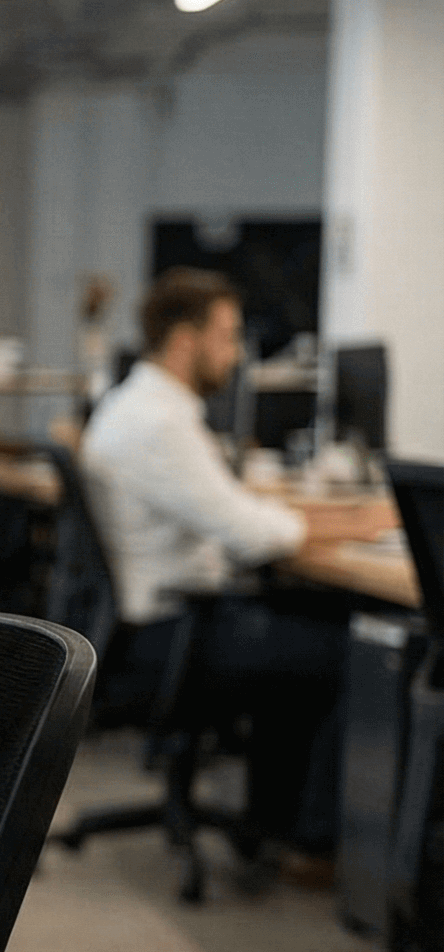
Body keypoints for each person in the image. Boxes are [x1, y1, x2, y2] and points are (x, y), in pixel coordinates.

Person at [79, 268, 390, 867]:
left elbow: (232, 513)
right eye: (228, 334)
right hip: (172, 633)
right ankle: (310, 842)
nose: (238, 352)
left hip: (149, 624)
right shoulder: (159, 423)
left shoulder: (138, 406)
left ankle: (278, 819)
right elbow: (249, 535)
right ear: (184, 340)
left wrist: (317, 517)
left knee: (316, 620)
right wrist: (355, 523)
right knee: (350, 647)